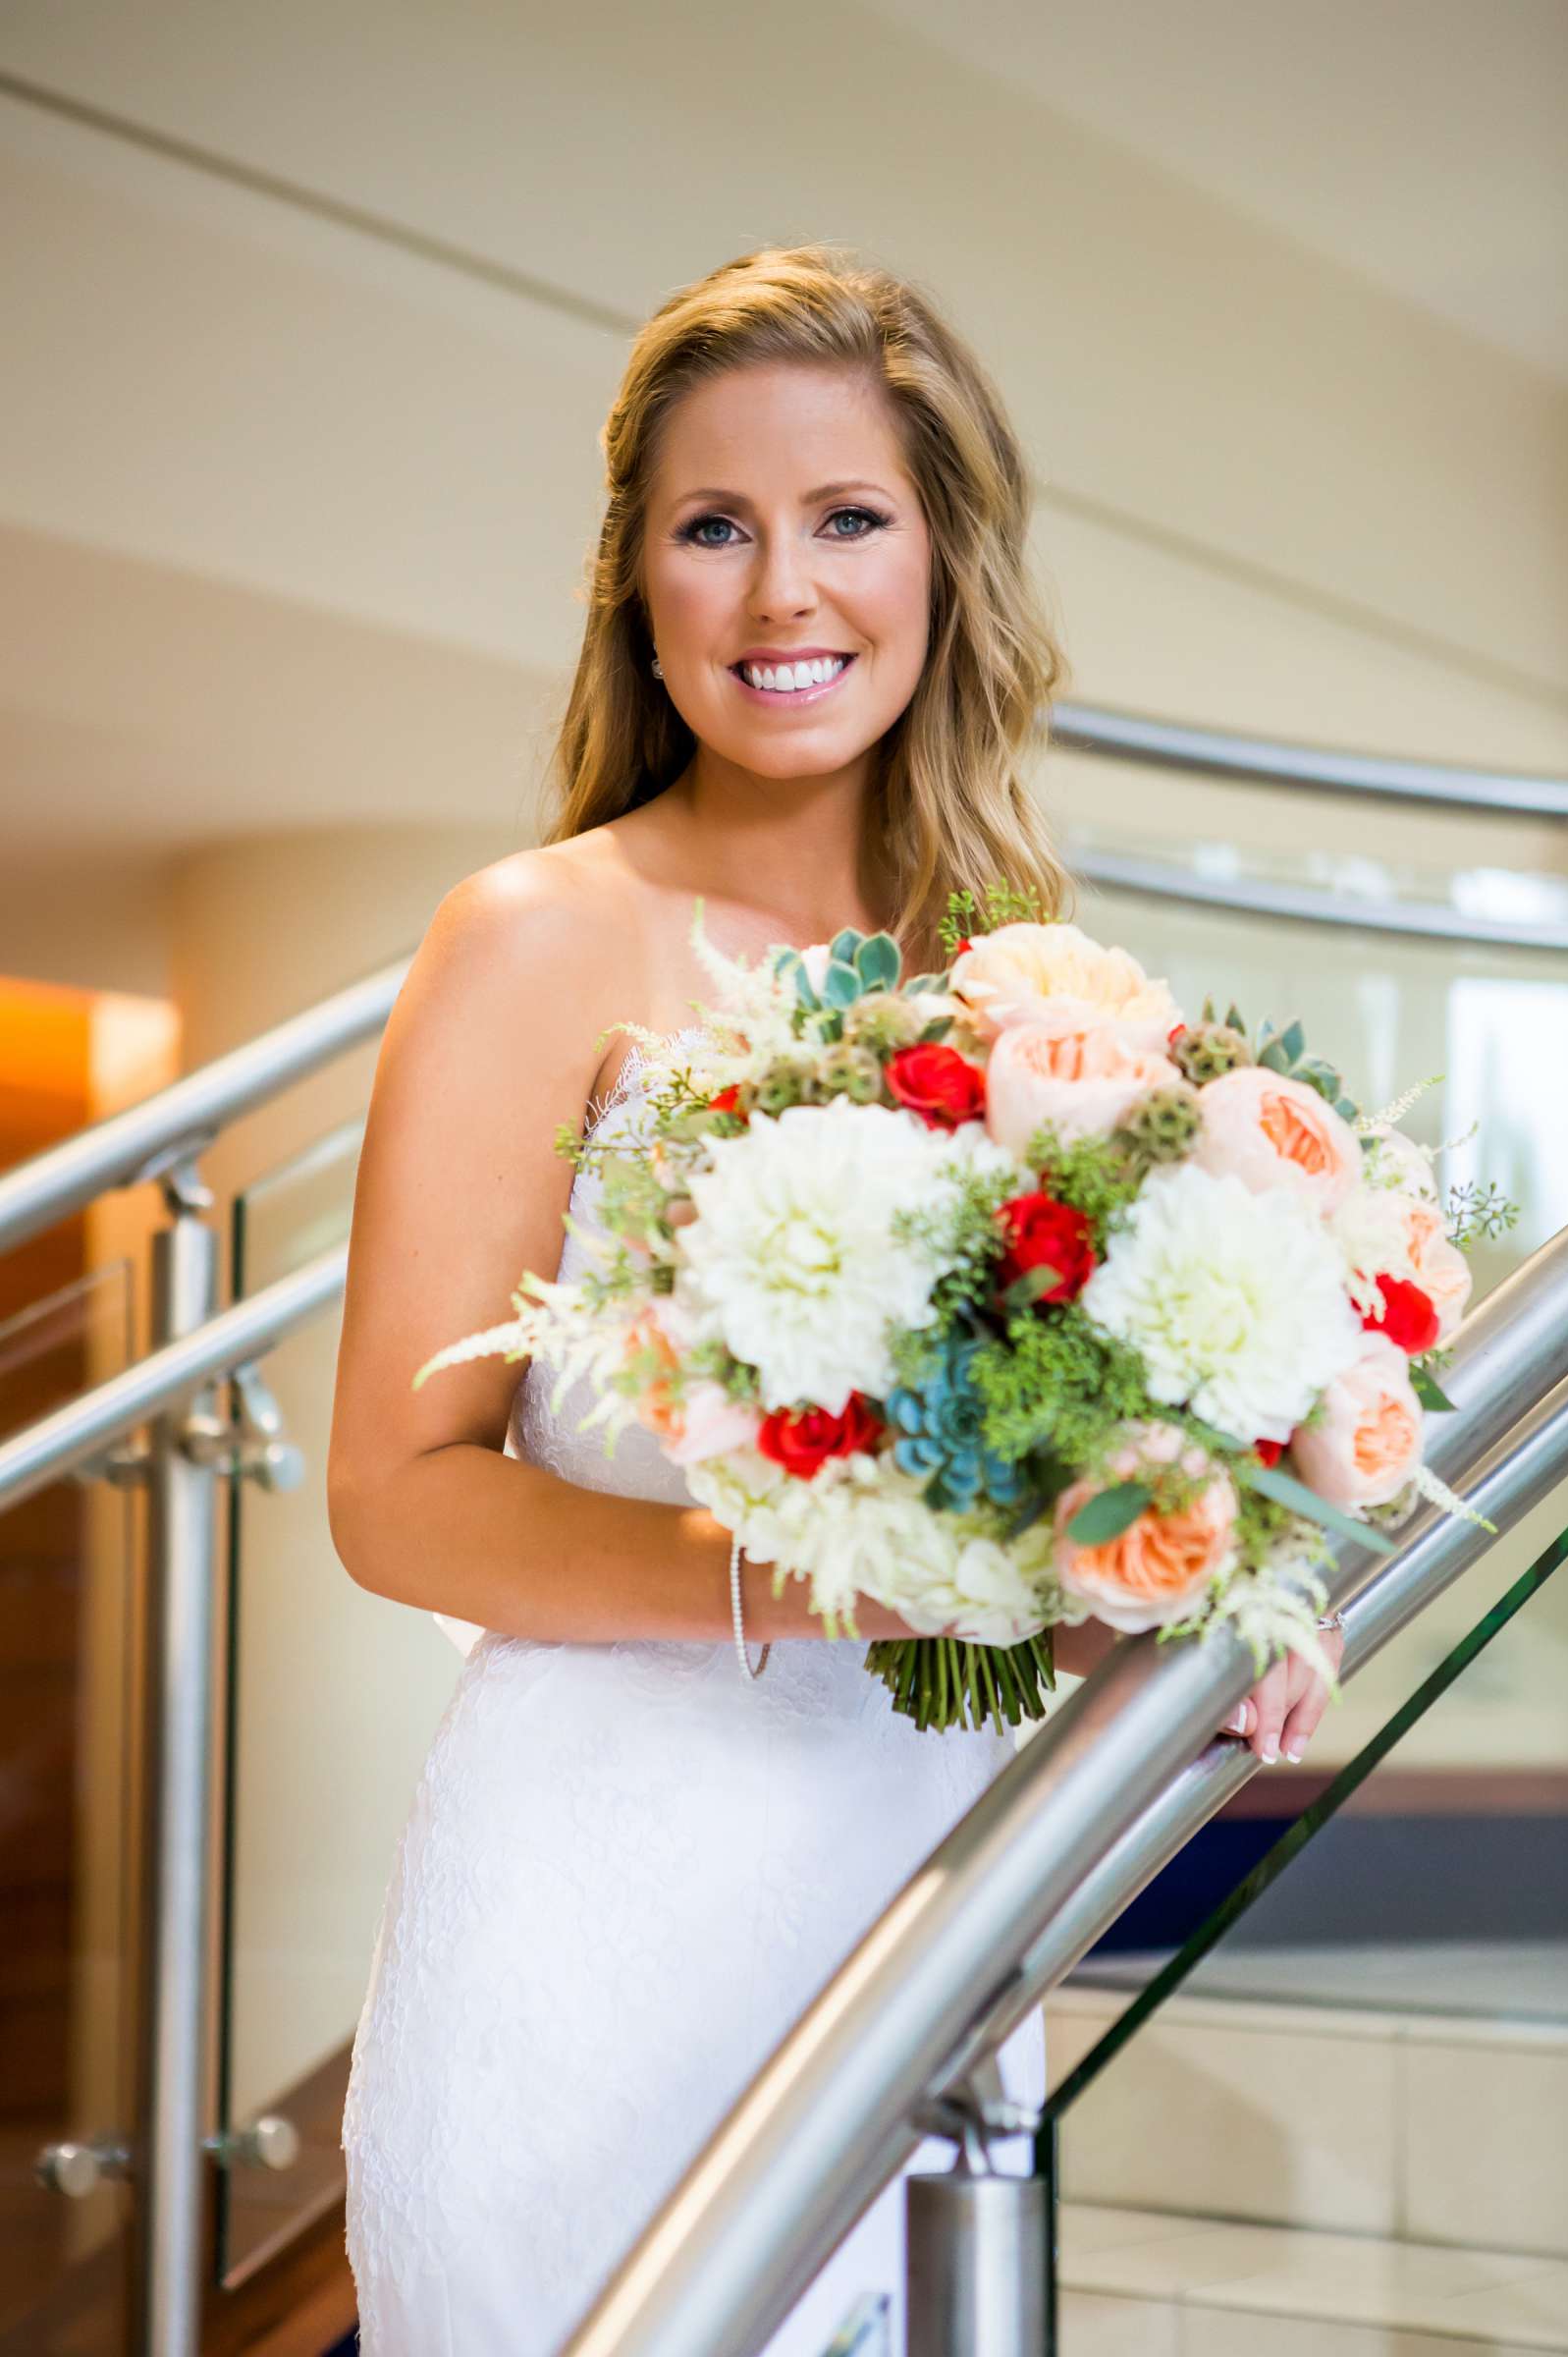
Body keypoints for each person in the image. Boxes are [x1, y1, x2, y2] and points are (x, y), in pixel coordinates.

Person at [327, 242, 1342, 2355]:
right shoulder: (530, 936)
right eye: (716, 528)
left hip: (921, 1899)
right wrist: (826, 1579)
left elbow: (1014, 1542)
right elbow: (396, 1494)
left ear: (943, 559)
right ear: (637, 582)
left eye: (845, 518)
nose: (782, 593)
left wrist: (1191, 1584)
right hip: (589, 1917)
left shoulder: (1026, 1002)